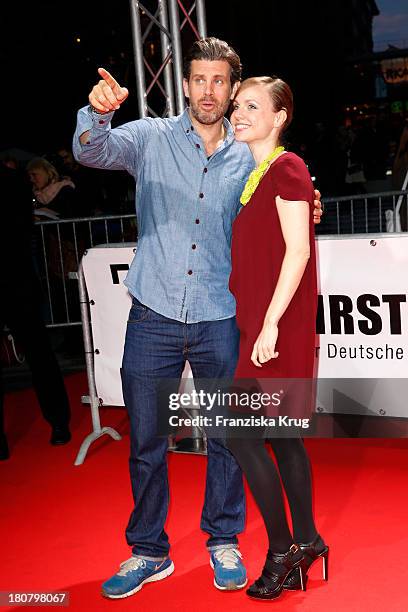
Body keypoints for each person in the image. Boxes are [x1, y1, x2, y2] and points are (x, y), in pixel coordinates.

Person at [72, 37, 322, 598]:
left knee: (227, 439)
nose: (208, 91)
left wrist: (309, 200)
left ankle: (223, 539)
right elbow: (91, 151)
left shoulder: (248, 151)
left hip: (219, 315)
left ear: (233, 89)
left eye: (219, 81)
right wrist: (98, 113)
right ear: (184, 84)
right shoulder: (149, 138)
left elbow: (283, 203)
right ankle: (148, 550)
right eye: (198, 79)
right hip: (154, 312)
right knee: (147, 440)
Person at [227, 76, 328, 600]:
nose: (237, 112)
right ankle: (307, 539)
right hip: (262, 325)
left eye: (251, 105)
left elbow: (298, 253)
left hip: (274, 329)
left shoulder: (286, 167)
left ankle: (284, 547)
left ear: (280, 116)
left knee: (241, 436)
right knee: (283, 438)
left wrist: (268, 324)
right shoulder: (259, 173)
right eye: (236, 105)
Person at [0, 162, 71, 461]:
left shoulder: (12, 179)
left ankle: (59, 422)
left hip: (16, 280)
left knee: (39, 354)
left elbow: (19, 228)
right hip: (18, 280)